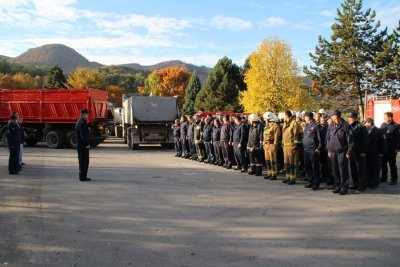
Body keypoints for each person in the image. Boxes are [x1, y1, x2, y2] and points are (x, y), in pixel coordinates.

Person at [326, 109, 353, 195]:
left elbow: (350, 140)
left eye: (332, 116)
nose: (331, 117)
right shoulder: (331, 126)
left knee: (343, 170)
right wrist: (329, 150)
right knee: (335, 170)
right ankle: (338, 186)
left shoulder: (346, 125)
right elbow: (328, 139)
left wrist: (349, 151)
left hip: (342, 152)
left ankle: (344, 187)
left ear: (337, 116)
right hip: (333, 152)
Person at [347, 111, 369, 193]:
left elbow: (366, 140)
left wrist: (364, 151)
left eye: (351, 117)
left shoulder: (361, 127)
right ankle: (355, 184)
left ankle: (362, 185)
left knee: (360, 169)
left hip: (359, 151)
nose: (349, 119)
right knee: (353, 168)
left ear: (355, 118)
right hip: (352, 151)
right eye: (348, 117)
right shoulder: (349, 126)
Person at [364, 117, 386, 189]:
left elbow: (383, 142)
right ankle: (368, 182)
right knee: (368, 168)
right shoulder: (365, 130)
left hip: (376, 153)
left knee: (375, 168)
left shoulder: (378, 131)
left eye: (365, 123)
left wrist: (381, 152)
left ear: (369, 123)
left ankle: (375, 182)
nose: (364, 124)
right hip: (367, 153)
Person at [302, 112, 322, 190]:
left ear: (309, 117)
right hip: (306, 149)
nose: (304, 118)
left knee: (314, 167)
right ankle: (310, 181)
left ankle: (316, 183)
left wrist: (319, 148)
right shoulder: (307, 125)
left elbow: (319, 138)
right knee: (308, 166)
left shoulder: (315, 126)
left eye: (305, 116)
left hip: (313, 149)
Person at [282, 111, 302, 185]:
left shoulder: (294, 123)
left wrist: (296, 145)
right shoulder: (285, 123)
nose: (283, 117)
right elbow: (283, 135)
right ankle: (288, 177)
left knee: (292, 163)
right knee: (286, 163)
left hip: (291, 146)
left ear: (287, 116)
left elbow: (297, 135)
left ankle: (293, 178)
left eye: (284, 115)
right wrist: (283, 144)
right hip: (285, 146)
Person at [380, 112, 400, 185]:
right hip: (384, 148)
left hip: (392, 149)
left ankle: (394, 179)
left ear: (390, 117)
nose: (384, 118)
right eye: (384, 117)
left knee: (392, 164)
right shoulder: (383, 125)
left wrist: (398, 148)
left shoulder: (396, 126)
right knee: (383, 164)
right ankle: (384, 177)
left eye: (385, 117)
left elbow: (398, 138)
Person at [263, 112, 281, 180]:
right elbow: (264, 136)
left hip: (272, 144)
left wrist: (275, 145)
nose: (265, 120)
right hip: (266, 145)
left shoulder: (275, 125)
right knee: (267, 160)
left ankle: (274, 174)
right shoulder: (267, 125)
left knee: (273, 160)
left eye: (266, 119)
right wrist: (264, 144)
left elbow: (276, 136)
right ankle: (269, 173)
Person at [319, 115, 334, 189]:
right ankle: (325, 178)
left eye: (327, 120)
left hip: (329, 149)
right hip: (323, 149)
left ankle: (331, 181)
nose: (326, 121)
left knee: (330, 166)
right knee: (324, 165)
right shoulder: (320, 127)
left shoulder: (329, 128)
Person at [76, 109, 91, 182]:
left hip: (81, 145)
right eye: (86, 114)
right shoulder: (81, 123)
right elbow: (83, 135)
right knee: (83, 161)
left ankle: (84, 176)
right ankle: (82, 177)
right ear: (82, 114)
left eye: (87, 114)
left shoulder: (82, 122)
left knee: (84, 161)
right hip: (82, 146)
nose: (87, 115)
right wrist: (87, 144)